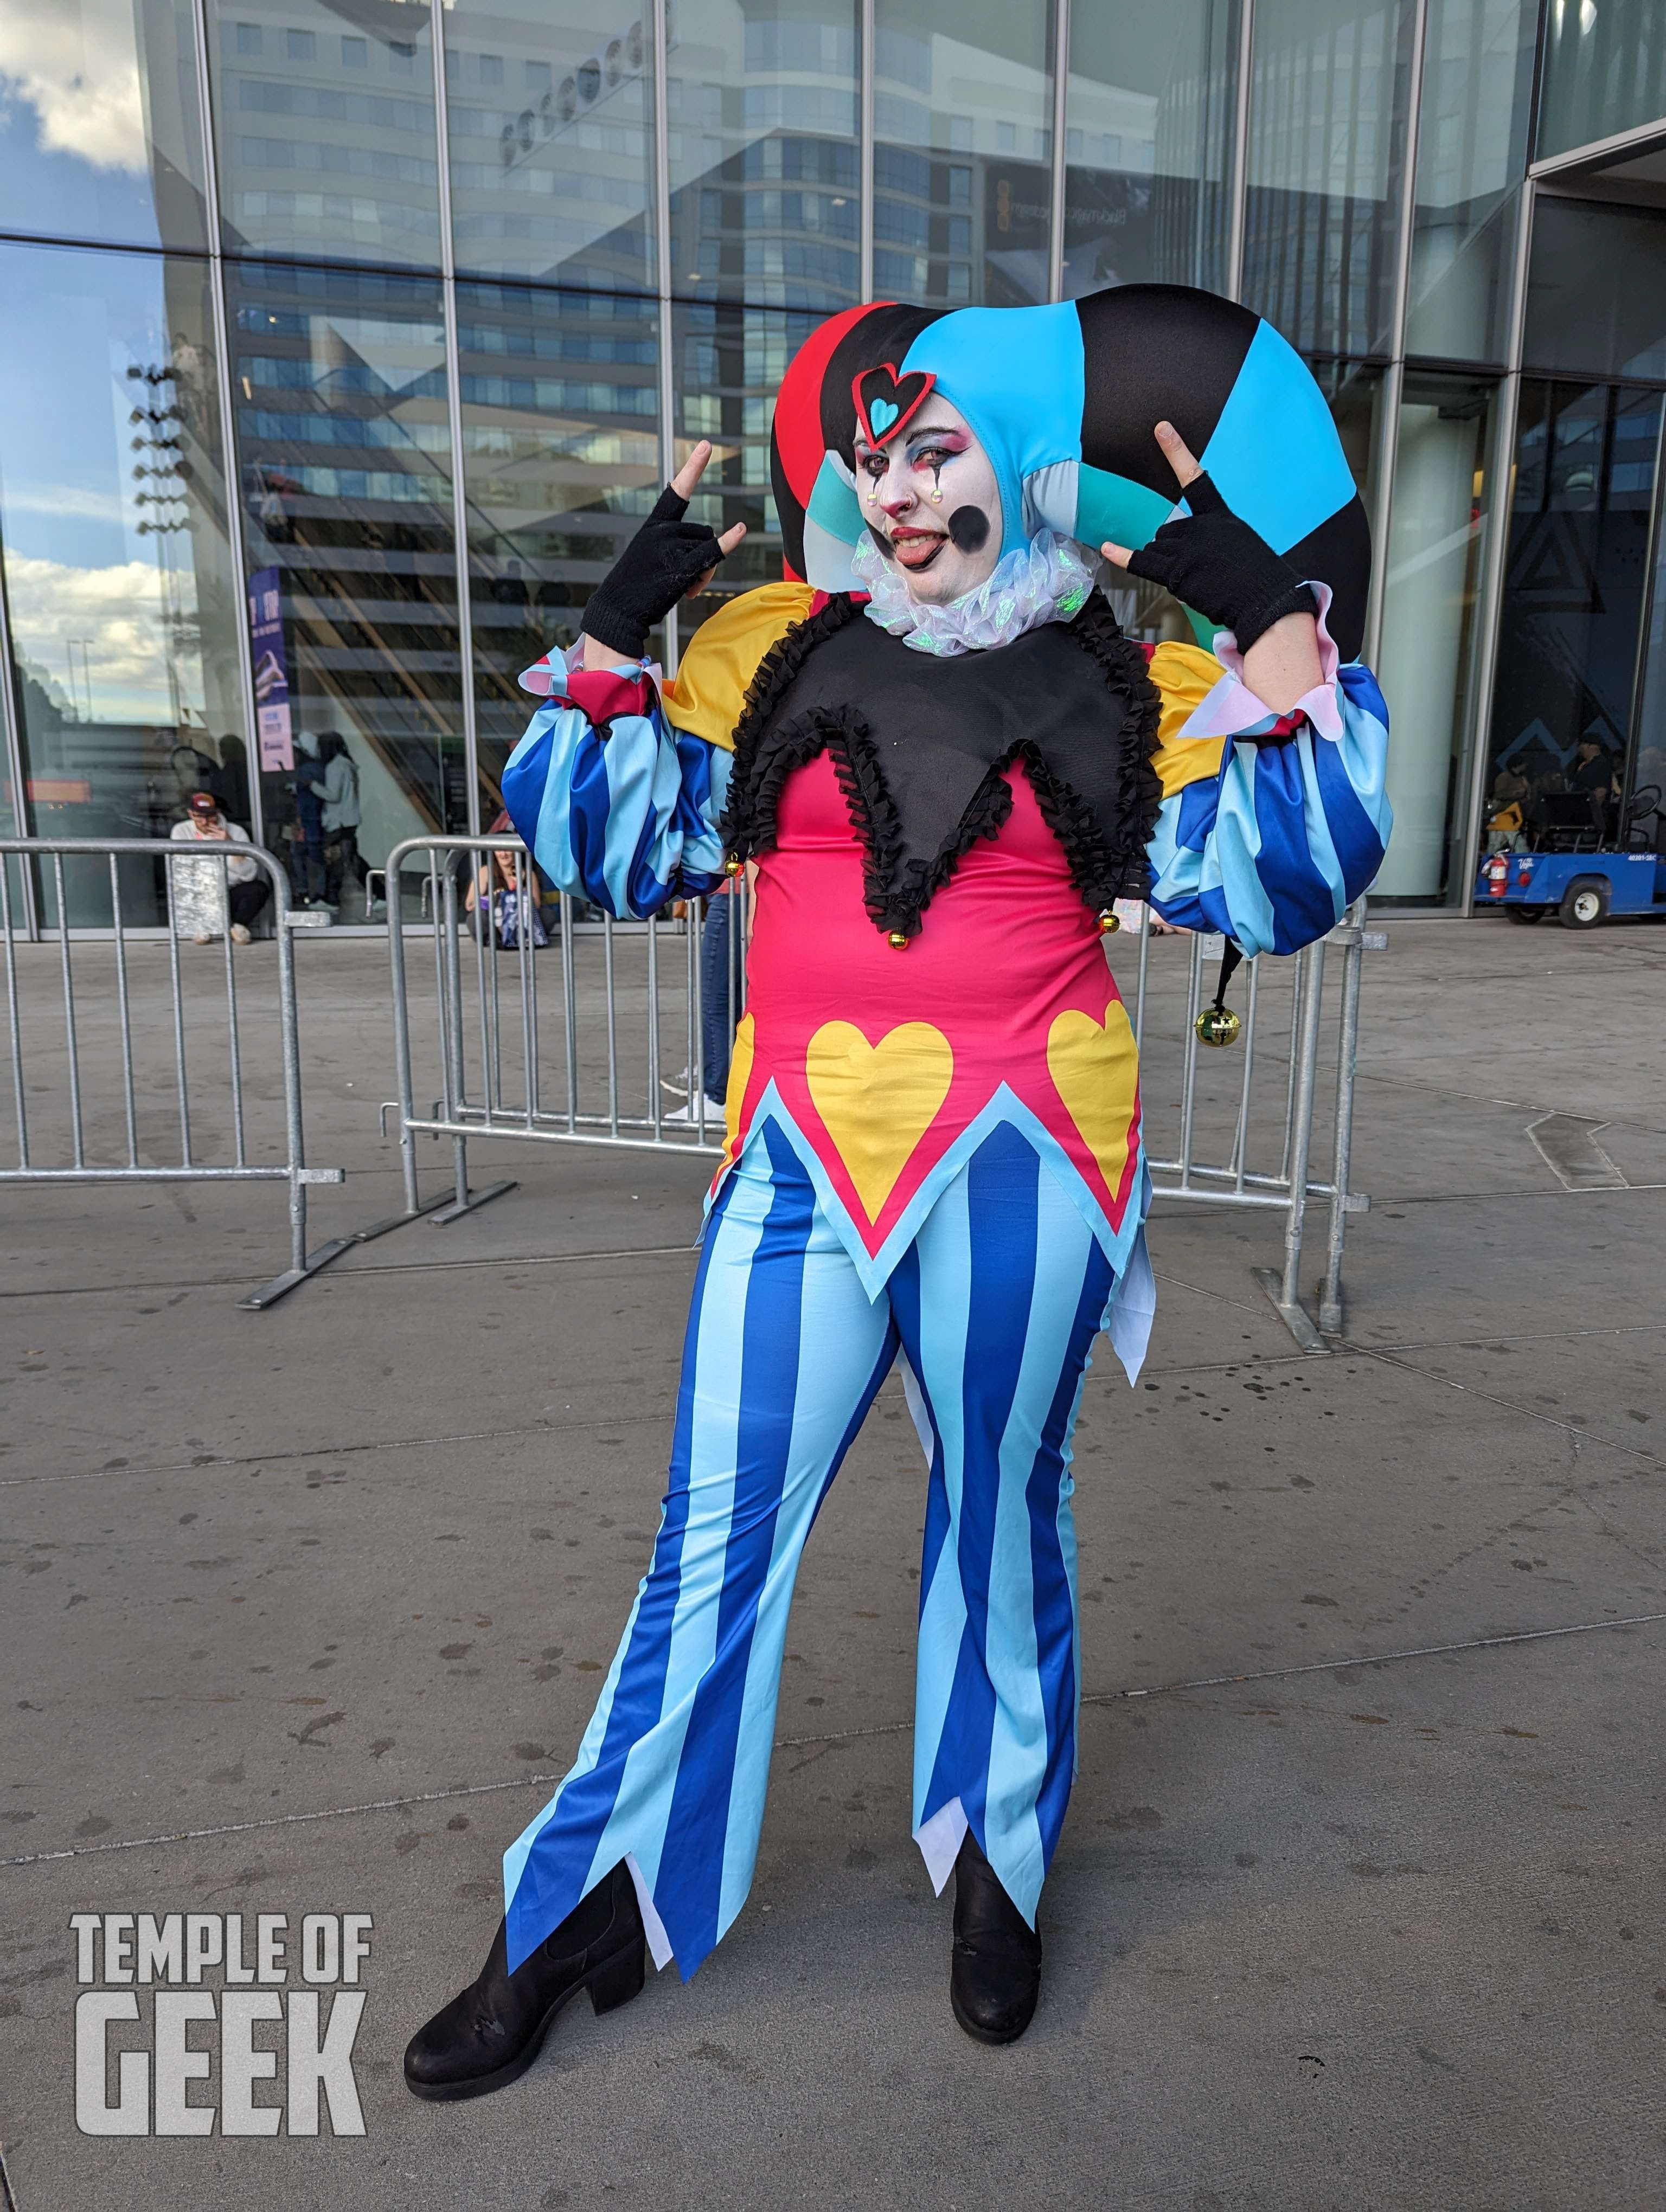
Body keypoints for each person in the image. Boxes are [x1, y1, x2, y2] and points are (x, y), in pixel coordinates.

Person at [404, 297, 1392, 2100]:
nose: (899, 493)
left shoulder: (1125, 672)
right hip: (796, 1158)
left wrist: (1246, 599)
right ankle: (584, 1902)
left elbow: (1299, 866)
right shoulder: (771, 652)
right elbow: (598, 836)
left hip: (1032, 1152)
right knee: (708, 1543)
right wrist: (623, 619)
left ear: (1018, 472)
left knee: (1002, 1521)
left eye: (935, 452)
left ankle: (995, 1874)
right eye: (872, 461)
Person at [168, 792, 270, 943]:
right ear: (190, 814)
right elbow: (183, 870)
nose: (204, 822)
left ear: (218, 813)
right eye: (198, 817)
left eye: (209, 816)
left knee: (258, 888)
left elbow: (248, 875)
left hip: (229, 889)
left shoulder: (236, 832)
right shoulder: (181, 831)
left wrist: (231, 845)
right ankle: (201, 926)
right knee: (184, 888)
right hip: (201, 892)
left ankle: (238, 926)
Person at [316, 731, 365, 909]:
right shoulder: (348, 765)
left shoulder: (335, 767)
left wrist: (312, 785)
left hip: (339, 822)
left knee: (335, 860)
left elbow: (333, 795)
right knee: (352, 859)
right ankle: (379, 894)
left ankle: (331, 899)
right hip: (349, 820)